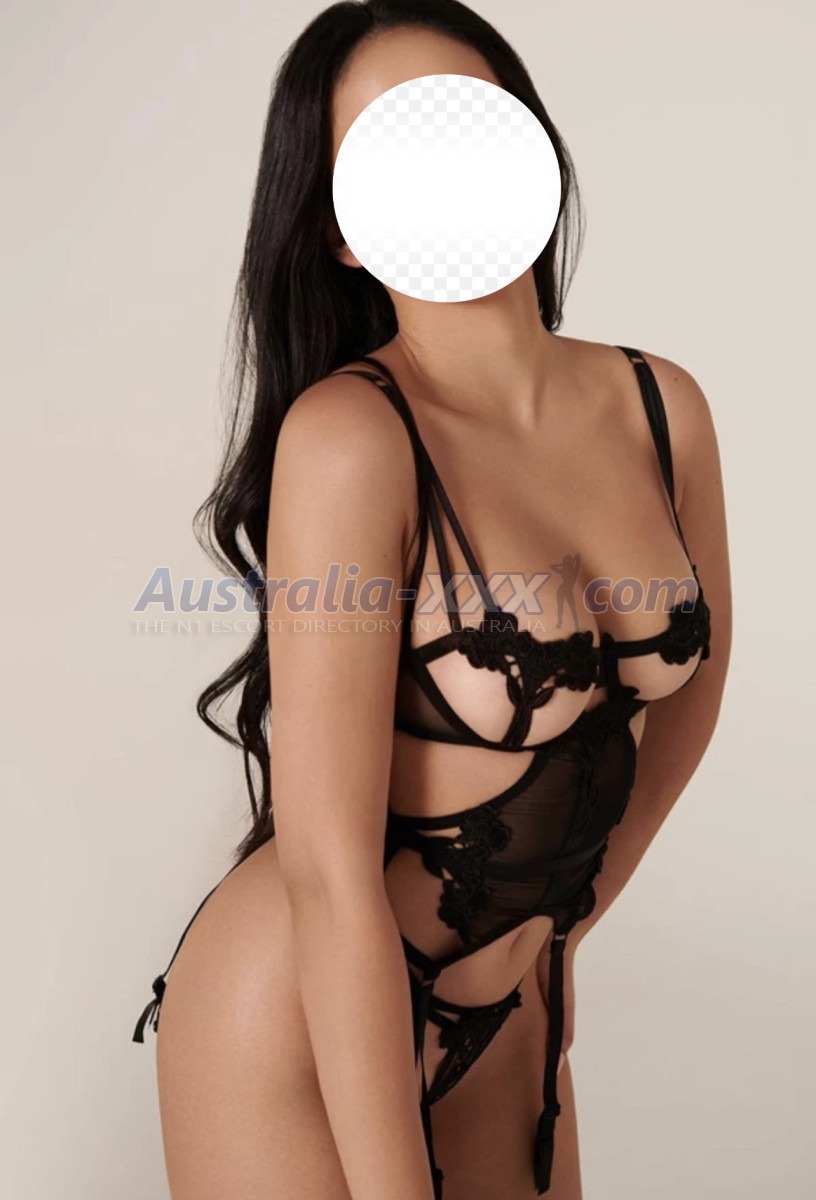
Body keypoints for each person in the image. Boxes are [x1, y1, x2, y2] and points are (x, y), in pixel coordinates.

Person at [132, 3, 731, 1198]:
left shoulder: (661, 408)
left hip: (515, 1009)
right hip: (302, 1017)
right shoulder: (352, 439)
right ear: (340, 230)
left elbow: (692, 701)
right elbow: (328, 870)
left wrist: (561, 925)